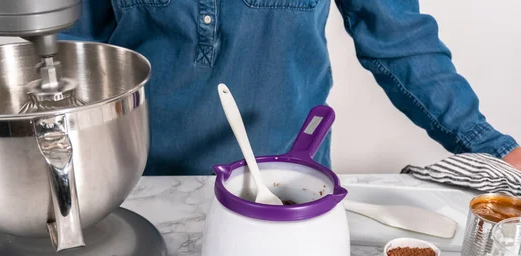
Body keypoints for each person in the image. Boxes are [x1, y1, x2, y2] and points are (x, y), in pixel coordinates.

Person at [60, 0, 521, 175]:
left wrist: (491, 148)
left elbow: (400, 40)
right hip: (143, 187)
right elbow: (73, 57)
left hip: (291, 185)